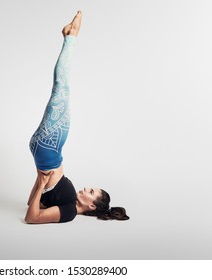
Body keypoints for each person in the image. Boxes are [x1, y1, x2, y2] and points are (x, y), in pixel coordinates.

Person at [25, 11, 129, 224]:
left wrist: (42, 180)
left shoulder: (70, 212)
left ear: (91, 205)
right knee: (60, 89)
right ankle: (70, 37)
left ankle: (71, 37)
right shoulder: (66, 202)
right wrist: (40, 181)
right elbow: (32, 204)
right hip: (46, 150)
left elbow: (31, 217)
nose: (85, 188)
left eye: (90, 191)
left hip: (48, 148)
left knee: (61, 87)